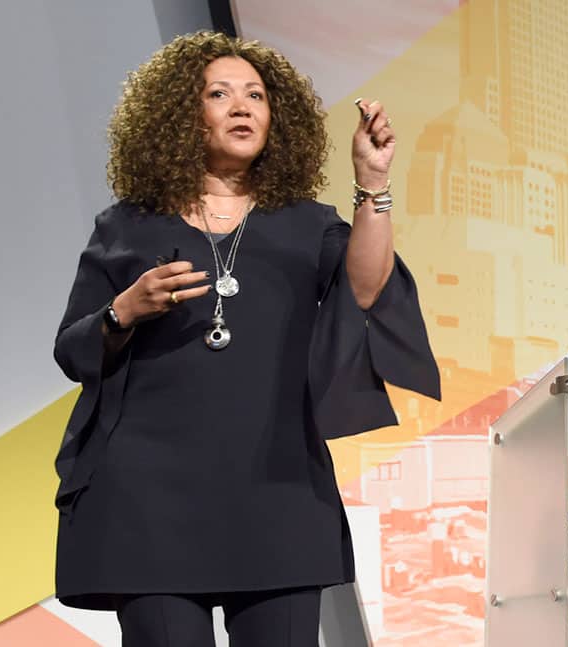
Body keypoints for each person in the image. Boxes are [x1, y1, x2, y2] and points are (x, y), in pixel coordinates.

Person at [52, 31, 440, 646]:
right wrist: (124, 308)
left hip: (277, 487)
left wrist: (372, 182)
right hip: (148, 497)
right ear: (182, 116)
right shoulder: (126, 224)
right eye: (220, 93)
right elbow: (73, 351)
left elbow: (367, 288)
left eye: (256, 95)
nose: (242, 106)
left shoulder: (307, 222)